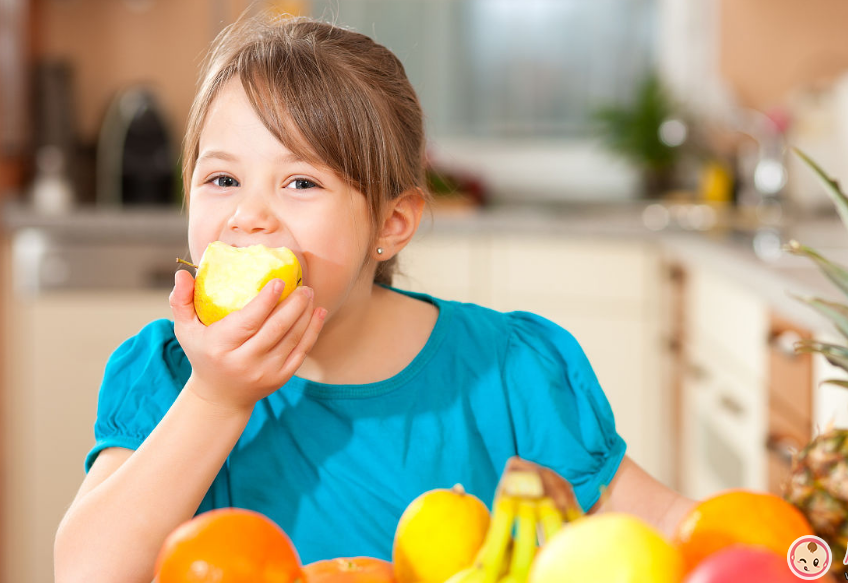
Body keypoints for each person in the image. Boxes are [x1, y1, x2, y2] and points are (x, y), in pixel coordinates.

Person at [54, 14, 694, 583]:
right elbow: (87, 571)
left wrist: (798, 556)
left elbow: (680, 536)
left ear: (391, 223)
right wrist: (216, 398)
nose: (248, 216)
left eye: (300, 181)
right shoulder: (167, 377)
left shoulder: (509, 372)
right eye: (222, 178)